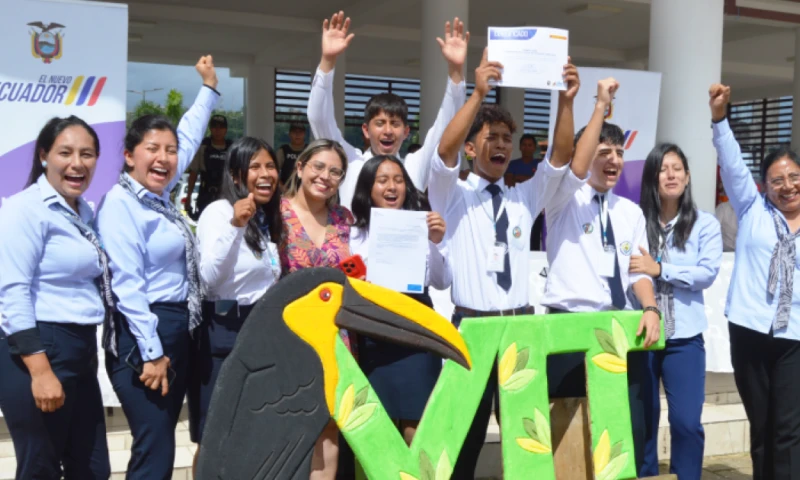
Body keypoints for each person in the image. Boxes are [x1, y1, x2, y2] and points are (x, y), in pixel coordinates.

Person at [428, 48, 580, 478]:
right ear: (473, 145)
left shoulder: (522, 198)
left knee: (524, 437)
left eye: (506, 139)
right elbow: (442, 151)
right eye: (491, 138)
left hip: (519, 328)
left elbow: (559, 162)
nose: (500, 146)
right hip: (472, 330)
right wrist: (476, 94)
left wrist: (566, 101)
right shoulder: (453, 195)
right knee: (465, 436)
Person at [94, 55, 219, 480]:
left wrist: (208, 89)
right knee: (156, 446)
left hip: (178, 328)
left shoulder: (157, 195)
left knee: (160, 441)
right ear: (129, 156)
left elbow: (187, 134)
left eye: (170, 151)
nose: (165, 158)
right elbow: (126, 283)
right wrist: (152, 353)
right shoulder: (121, 204)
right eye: (152, 149)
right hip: (144, 333)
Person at [541, 79, 662, 473]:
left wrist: (650, 307)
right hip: (568, 328)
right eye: (602, 151)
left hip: (615, 328)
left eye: (619, 153)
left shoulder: (629, 212)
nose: (612, 160)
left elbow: (638, 273)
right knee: (567, 432)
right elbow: (572, 166)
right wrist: (599, 106)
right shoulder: (561, 198)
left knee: (621, 428)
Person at [0, 116, 112, 480]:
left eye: (87, 154)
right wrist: (40, 370)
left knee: (92, 468)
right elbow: (11, 291)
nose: (77, 163)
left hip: (79, 349)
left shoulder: (84, 212)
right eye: (66, 153)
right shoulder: (25, 209)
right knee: (40, 469)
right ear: (45, 156)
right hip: (38, 350)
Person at [710, 83, 800, 479]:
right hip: (749, 329)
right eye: (777, 180)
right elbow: (731, 163)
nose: (787, 186)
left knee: (788, 429)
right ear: (764, 185)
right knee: (762, 426)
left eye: (794, 177)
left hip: (794, 337)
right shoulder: (751, 207)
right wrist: (719, 118)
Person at [188, 137, 283, 475]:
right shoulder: (219, 211)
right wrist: (234, 226)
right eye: (255, 166)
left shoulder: (266, 218)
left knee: (250, 434)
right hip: (224, 332)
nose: (265, 173)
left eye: (270, 165)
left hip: (260, 334)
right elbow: (208, 279)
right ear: (236, 175)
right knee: (216, 437)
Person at [307, 11, 467, 210]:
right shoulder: (351, 162)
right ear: (366, 130)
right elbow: (318, 118)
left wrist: (455, 72)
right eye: (380, 123)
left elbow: (447, 128)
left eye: (395, 124)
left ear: (406, 132)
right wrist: (327, 62)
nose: (388, 131)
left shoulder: (414, 166)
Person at [633, 143, 722, 479]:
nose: (670, 175)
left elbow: (706, 274)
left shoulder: (705, 224)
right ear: (652, 177)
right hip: (641, 335)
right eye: (662, 168)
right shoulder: (636, 221)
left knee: (686, 422)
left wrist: (660, 269)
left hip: (684, 338)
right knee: (643, 421)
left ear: (687, 176)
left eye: (677, 168)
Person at [349, 155, 451, 446]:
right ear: (368, 188)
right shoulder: (353, 233)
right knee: (376, 431)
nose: (392, 187)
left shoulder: (423, 224)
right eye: (382, 180)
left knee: (418, 427)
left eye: (398, 180)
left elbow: (443, 281)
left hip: (416, 333)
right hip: (374, 333)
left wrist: (434, 242)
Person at [279, 138, 351, 480]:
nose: (326, 176)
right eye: (319, 167)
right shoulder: (276, 214)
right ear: (300, 167)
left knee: (328, 428)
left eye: (335, 171)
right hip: (289, 338)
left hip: (337, 340)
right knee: (288, 429)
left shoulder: (345, 219)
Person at [187, 113, 232, 219]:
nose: (218, 130)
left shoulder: (231, 148)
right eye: (214, 127)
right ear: (210, 129)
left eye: (221, 127)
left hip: (226, 194)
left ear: (226, 130)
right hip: (206, 193)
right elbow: (193, 173)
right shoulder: (203, 147)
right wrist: (188, 196)